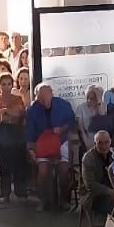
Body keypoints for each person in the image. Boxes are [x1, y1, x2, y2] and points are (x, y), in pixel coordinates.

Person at [25, 84, 77, 213]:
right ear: (37, 98)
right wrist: (30, 148)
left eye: (47, 98)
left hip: (61, 140)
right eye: (41, 99)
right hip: (42, 142)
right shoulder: (32, 110)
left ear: (52, 95)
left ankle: (64, 199)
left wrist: (62, 129)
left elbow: (72, 121)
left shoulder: (63, 105)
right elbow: (29, 132)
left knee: (64, 170)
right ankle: (43, 200)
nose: (45, 101)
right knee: (42, 171)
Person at [0, 72, 30, 203]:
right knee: (4, 165)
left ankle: (21, 192)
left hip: (17, 133)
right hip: (1, 134)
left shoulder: (17, 99)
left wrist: (5, 111)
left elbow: (19, 113)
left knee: (20, 164)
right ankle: (4, 193)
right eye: (3, 84)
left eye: (8, 84)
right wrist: (8, 114)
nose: (6, 87)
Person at [79, 130, 114, 227]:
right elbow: (90, 185)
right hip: (93, 195)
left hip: (113, 190)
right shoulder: (88, 158)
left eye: (106, 142)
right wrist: (111, 192)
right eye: (100, 143)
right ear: (95, 143)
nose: (104, 146)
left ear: (110, 142)